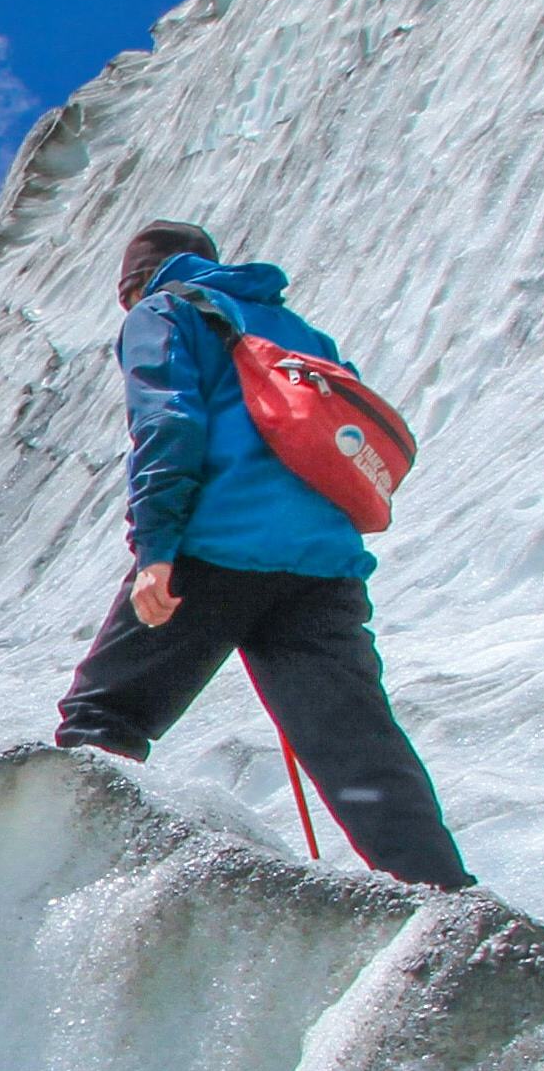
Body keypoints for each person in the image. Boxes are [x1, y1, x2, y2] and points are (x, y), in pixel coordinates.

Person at [53, 220, 472, 887]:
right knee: (356, 748)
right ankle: (445, 898)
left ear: (134, 284)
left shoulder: (163, 313)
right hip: (323, 565)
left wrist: (157, 549)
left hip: (215, 548)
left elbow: (168, 423)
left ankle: (67, 883)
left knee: (104, 719)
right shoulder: (296, 329)